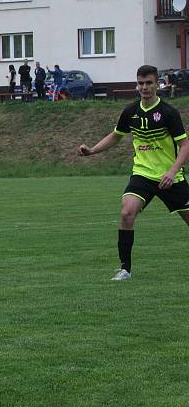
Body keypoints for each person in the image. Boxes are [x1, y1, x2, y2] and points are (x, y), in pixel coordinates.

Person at [77, 65, 189, 281]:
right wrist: (91, 150)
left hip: (170, 177)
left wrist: (172, 171)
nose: (144, 87)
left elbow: (185, 146)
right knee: (127, 212)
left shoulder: (168, 113)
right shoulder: (131, 112)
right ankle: (125, 269)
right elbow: (115, 136)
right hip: (143, 174)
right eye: (141, 83)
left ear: (157, 84)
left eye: (149, 83)